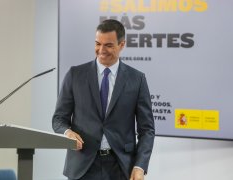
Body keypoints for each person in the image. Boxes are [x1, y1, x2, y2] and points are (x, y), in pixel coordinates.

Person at [52, 19, 155, 180]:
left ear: (122, 45)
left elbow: (147, 129)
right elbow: (58, 119)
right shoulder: (75, 75)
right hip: (82, 167)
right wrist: (68, 132)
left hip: (121, 167)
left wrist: (140, 166)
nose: (101, 50)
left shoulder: (137, 79)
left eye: (108, 45)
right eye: (98, 44)